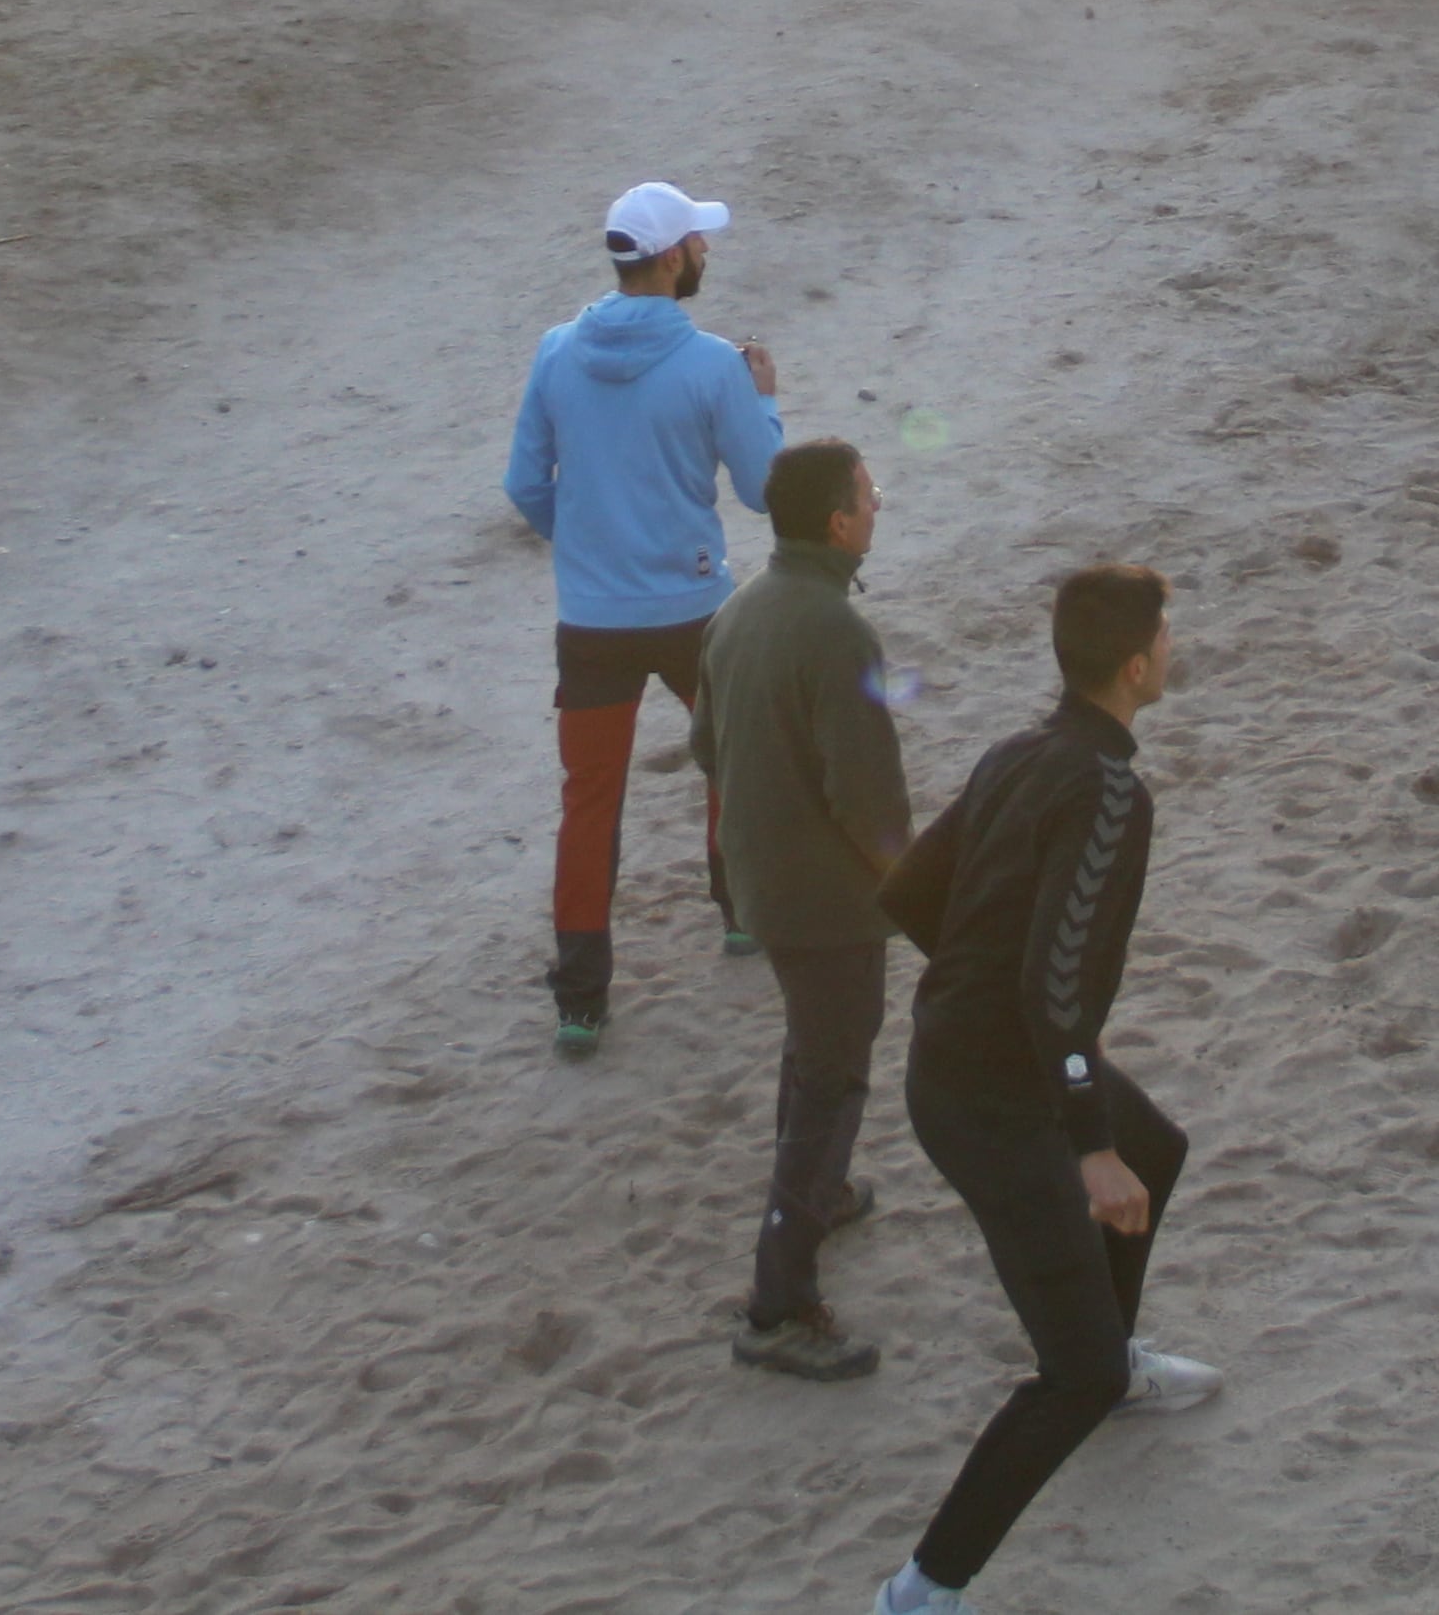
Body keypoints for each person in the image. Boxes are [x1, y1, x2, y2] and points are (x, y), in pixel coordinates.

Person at [869, 563, 1214, 1615]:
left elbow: (908, 892)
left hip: (970, 1054)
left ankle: (1111, 1358)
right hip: (990, 1095)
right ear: (1135, 664)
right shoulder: (1112, 790)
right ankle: (921, 1592)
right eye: (1168, 630)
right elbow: (1056, 981)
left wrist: (992, 1004)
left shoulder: (1019, 749)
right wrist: (1084, 1142)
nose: (1174, 643)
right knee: (1073, 1371)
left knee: (1156, 1146)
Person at [502, 180, 788, 1054]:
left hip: (591, 621)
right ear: (670, 258)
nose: (707, 250)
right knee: (730, 755)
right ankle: (739, 910)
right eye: (699, 241)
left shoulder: (556, 352)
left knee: (589, 802)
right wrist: (766, 400)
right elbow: (764, 487)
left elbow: (524, 485)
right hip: (693, 606)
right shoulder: (711, 365)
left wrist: (585, 550)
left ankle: (581, 998)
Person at [700, 440, 913, 1384]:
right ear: (837, 522)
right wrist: (909, 887)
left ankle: (818, 1195)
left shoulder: (740, 606)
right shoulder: (834, 628)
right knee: (833, 1077)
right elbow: (867, 798)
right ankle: (778, 1303)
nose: (876, 507)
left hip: (763, 883)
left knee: (812, 1052)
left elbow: (706, 743)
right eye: (870, 496)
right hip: (824, 901)